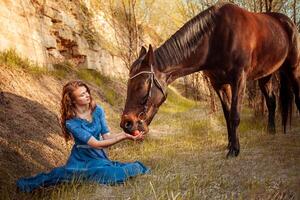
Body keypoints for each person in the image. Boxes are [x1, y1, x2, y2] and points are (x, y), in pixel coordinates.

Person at [17, 80, 150, 192]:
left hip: (98, 157)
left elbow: (106, 137)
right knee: (57, 176)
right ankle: (27, 185)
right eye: (82, 95)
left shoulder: (98, 111)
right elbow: (95, 144)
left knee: (130, 168)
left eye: (86, 92)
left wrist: (126, 134)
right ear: (73, 101)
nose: (87, 96)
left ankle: (109, 171)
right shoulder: (72, 123)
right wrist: (123, 136)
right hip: (81, 160)